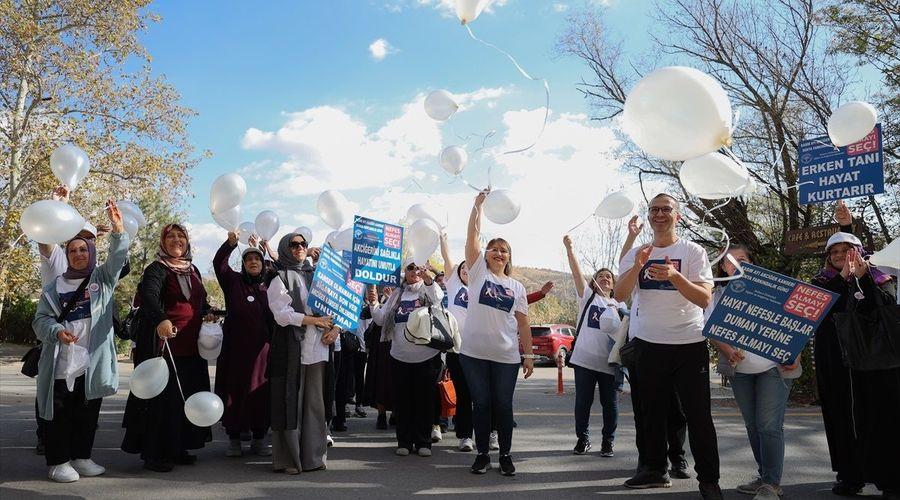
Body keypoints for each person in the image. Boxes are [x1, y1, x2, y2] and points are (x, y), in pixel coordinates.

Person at [614, 194, 721, 499]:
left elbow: (704, 298)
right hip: (649, 345)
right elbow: (621, 295)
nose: (659, 214)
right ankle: (654, 470)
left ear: (678, 216)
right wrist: (636, 267)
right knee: (651, 414)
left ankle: (709, 480)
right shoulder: (636, 253)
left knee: (698, 416)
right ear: (648, 216)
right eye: (654, 210)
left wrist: (674, 275)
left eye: (666, 209)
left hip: (689, 344)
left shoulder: (692, 251)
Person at [33, 201, 129, 482]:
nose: (77, 254)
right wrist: (56, 332)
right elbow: (40, 321)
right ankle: (58, 462)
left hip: (92, 362)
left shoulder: (102, 279)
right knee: (59, 415)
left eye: (82, 250)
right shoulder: (54, 287)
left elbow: (117, 258)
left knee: (87, 414)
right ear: (67, 254)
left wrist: (118, 229)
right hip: (60, 363)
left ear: (91, 254)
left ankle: (81, 457)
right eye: (72, 250)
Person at [812, 201, 899, 499]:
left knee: (880, 418)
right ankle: (850, 476)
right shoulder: (822, 282)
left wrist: (861, 279)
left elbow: (884, 310)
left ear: (859, 252)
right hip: (836, 363)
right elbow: (823, 309)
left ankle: (890, 479)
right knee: (842, 419)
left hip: (875, 364)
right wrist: (844, 279)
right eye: (834, 252)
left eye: (845, 250)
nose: (839, 256)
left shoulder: (880, 278)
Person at [707, 244, 801, 500]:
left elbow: (797, 324)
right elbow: (712, 330)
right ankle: (763, 476)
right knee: (752, 426)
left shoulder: (772, 289)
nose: (735, 264)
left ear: (751, 263)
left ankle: (771, 484)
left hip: (773, 368)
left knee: (769, 425)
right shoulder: (716, 295)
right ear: (722, 267)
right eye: (729, 261)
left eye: (741, 259)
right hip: (741, 373)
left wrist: (795, 354)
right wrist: (727, 351)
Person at [121, 223, 214, 472]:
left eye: (181, 236)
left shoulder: (193, 269)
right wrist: (162, 318)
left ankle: (178, 447)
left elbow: (201, 302)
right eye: (170, 236)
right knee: (162, 401)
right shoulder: (157, 269)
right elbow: (150, 297)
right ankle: (154, 453)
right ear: (163, 242)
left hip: (191, 347)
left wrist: (208, 314)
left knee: (185, 397)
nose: (176, 240)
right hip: (164, 345)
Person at [461, 190, 534, 476]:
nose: (498, 252)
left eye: (503, 249)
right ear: (486, 255)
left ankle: (505, 454)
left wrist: (528, 355)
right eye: (494, 248)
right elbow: (472, 237)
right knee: (482, 404)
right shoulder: (478, 273)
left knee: (503, 405)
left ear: (508, 257)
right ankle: (482, 455)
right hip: (473, 355)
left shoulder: (517, 288)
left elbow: (524, 324)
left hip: (506, 357)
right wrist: (477, 206)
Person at [620, 215, 691, 480]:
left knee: (676, 408)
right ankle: (648, 461)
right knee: (645, 410)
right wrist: (631, 237)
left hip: (674, 344)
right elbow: (625, 267)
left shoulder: (686, 253)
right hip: (641, 346)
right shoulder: (637, 263)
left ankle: (678, 458)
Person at [266, 232, 336, 474]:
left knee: (315, 405)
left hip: (319, 350)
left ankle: (313, 458)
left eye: (303, 244)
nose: (299, 248)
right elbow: (281, 315)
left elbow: (337, 306)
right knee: (290, 403)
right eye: (293, 245)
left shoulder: (318, 276)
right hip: (291, 350)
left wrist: (335, 329)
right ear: (285, 248)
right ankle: (289, 459)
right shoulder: (280, 277)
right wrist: (311, 321)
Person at [372, 258, 444, 457]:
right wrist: (374, 303)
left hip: (427, 357)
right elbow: (380, 319)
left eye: (416, 268)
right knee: (403, 402)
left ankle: (423, 442)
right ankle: (404, 441)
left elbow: (437, 298)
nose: (413, 271)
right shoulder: (397, 294)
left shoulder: (428, 289)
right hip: (399, 357)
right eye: (409, 268)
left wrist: (429, 279)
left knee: (424, 401)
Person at [563, 235, 625, 458]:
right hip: (584, 362)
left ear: (614, 283)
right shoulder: (588, 297)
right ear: (595, 282)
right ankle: (583, 439)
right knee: (583, 403)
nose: (605, 278)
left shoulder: (620, 304)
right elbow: (576, 272)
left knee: (611, 405)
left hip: (610, 364)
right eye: (601, 276)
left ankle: (608, 442)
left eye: (609, 276)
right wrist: (570, 249)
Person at [213, 231, 274, 458]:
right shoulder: (233, 282)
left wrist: (265, 249)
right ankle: (234, 438)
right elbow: (219, 263)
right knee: (235, 392)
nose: (253, 262)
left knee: (260, 394)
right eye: (249, 259)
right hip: (235, 351)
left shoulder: (270, 285)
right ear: (243, 264)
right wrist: (230, 244)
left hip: (263, 352)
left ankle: (259, 438)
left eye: (257, 259)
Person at [362, 286, 395, 430]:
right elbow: (375, 317)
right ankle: (381, 415)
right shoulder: (378, 295)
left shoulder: (403, 294)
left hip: (400, 343)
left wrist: (390, 298)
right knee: (381, 378)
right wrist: (375, 301)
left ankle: (396, 413)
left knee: (396, 380)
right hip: (381, 343)